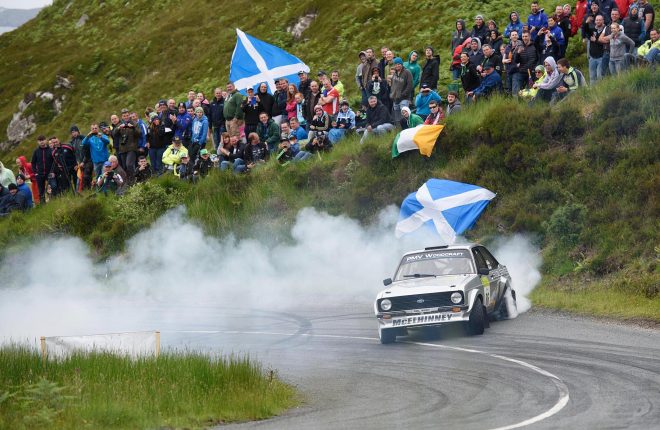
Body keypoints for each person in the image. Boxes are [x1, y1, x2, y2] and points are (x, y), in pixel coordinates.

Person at [112, 108, 141, 185]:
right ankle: (128, 181)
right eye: (124, 116)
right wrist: (118, 128)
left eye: (127, 115)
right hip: (122, 149)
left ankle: (133, 179)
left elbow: (139, 134)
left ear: (129, 115)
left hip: (132, 147)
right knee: (125, 166)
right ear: (122, 117)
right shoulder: (119, 124)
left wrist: (133, 127)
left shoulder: (134, 123)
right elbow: (114, 134)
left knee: (129, 164)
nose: (126, 117)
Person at [585, 14, 608, 82]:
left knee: (599, 77)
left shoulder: (606, 30)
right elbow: (585, 30)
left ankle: (600, 91)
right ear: (595, 21)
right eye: (597, 20)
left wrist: (596, 40)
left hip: (601, 57)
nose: (598, 21)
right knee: (592, 77)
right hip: (592, 57)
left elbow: (605, 42)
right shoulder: (593, 29)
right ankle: (593, 92)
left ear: (603, 21)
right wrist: (586, 22)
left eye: (600, 20)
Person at [389, 57, 413, 123]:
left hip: (404, 98)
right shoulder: (394, 74)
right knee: (397, 117)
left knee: (404, 115)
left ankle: (407, 127)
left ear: (402, 64)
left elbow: (410, 86)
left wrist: (402, 95)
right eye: (396, 64)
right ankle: (399, 130)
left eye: (399, 64)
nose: (397, 65)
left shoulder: (407, 72)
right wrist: (392, 95)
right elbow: (393, 85)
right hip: (395, 98)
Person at [30, 135, 53, 202]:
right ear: (38, 142)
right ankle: (43, 205)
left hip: (49, 173)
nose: (41, 142)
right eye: (40, 141)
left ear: (46, 140)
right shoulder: (36, 151)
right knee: (41, 191)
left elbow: (54, 161)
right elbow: (33, 162)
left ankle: (53, 201)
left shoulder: (50, 150)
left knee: (52, 188)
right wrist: (35, 173)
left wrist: (53, 171)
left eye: (43, 140)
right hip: (39, 174)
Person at [503, 30, 524, 96]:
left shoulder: (521, 46)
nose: (514, 36)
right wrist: (505, 61)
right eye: (513, 35)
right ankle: (511, 105)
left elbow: (523, 57)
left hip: (516, 71)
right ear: (510, 37)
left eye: (515, 34)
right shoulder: (507, 47)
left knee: (515, 91)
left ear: (518, 36)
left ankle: (516, 105)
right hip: (508, 70)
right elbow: (503, 59)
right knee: (509, 90)